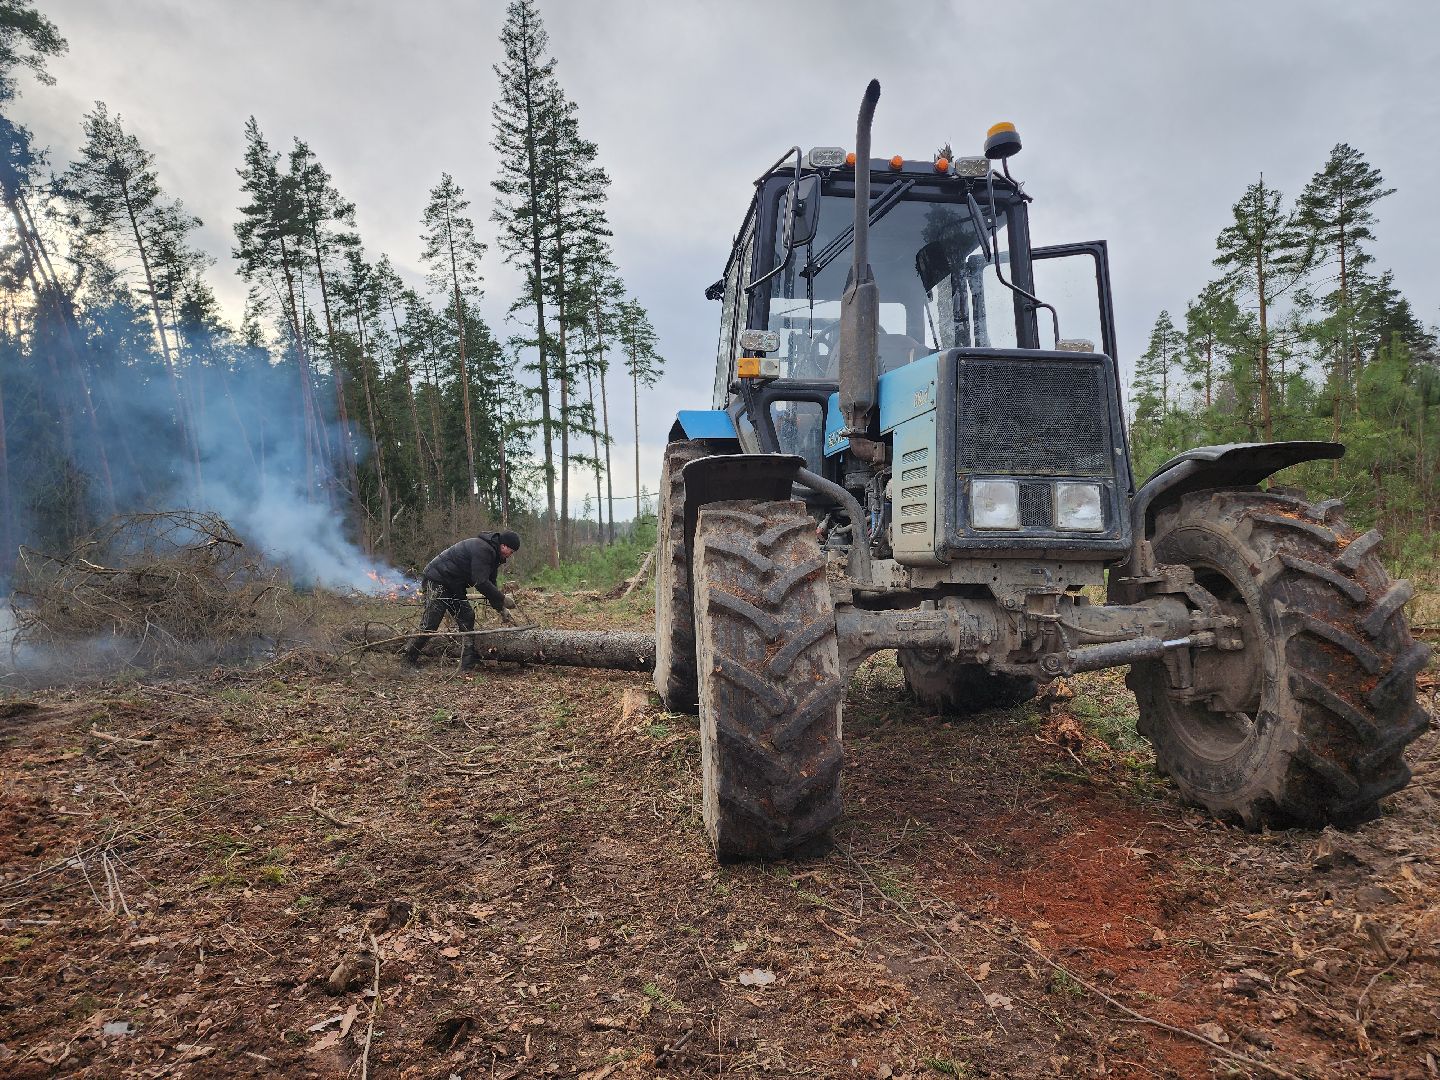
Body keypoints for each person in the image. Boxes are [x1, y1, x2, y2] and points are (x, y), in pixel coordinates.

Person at [403, 530, 520, 671]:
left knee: (466, 616)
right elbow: (480, 582)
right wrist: (503, 599)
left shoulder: (494, 556)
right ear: (504, 545)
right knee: (430, 624)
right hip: (437, 580)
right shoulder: (483, 549)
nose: (510, 555)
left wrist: (501, 608)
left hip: (454, 585)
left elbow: (490, 583)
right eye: (511, 551)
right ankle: (408, 658)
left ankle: (468, 660)